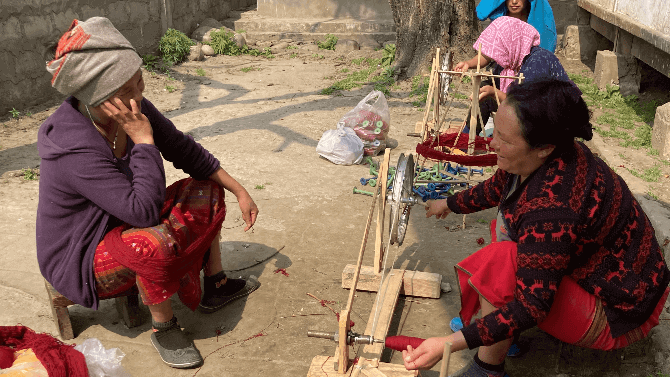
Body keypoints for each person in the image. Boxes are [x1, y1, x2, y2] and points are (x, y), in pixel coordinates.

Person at [402, 79, 670, 376]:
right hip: (626, 283)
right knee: (504, 229)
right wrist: (449, 204)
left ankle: (487, 368)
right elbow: (497, 188)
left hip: (621, 313)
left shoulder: (553, 207)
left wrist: (448, 344)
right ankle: (502, 334)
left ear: (544, 148)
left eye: (504, 139)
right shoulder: (543, 156)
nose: (492, 143)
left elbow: (533, 307)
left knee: (500, 262)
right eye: (496, 131)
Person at [37, 17, 260, 369]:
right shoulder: (71, 145)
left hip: (125, 218)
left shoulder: (133, 107)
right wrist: (143, 142)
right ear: (98, 97)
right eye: (126, 90)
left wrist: (238, 189)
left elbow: (185, 151)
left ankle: (215, 284)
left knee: (207, 189)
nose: (138, 95)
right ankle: (164, 326)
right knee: (150, 239)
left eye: (139, 81)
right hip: (80, 252)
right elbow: (142, 212)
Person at [454, 16, 571, 136]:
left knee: (489, 93)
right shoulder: (511, 59)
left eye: (500, 47)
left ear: (511, 43)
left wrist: (494, 93)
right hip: (524, 108)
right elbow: (487, 55)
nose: (497, 53)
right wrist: (468, 64)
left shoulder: (538, 62)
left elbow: (527, 106)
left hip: (546, 118)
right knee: (485, 88)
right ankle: (467, 136)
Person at [476, 0, 557, 53]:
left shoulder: (540, 23)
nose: (514, 1)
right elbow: (482, 12)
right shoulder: (500, 23)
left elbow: (546, 53)